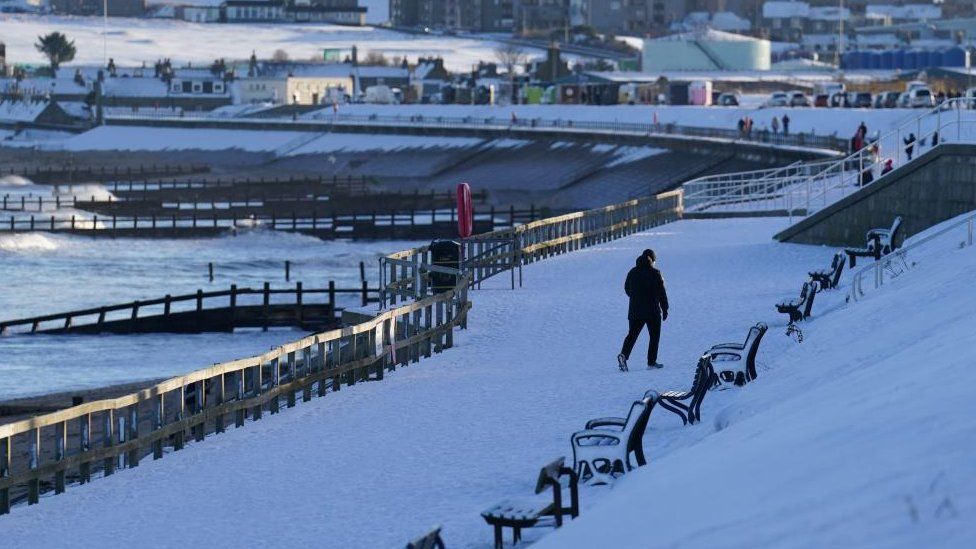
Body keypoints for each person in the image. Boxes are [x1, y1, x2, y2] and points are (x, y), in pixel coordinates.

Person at [618, 249, 669, 371]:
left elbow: (627, 289)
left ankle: (623, 355)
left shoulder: (632, 272)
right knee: (654, 337)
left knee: (632, 335)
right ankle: (651, 362)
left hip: (635, 311)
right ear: (652, 260)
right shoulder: (656, 273)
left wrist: (636, 297)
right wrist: (665, 308)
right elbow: (662, 293)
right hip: (653, 311)